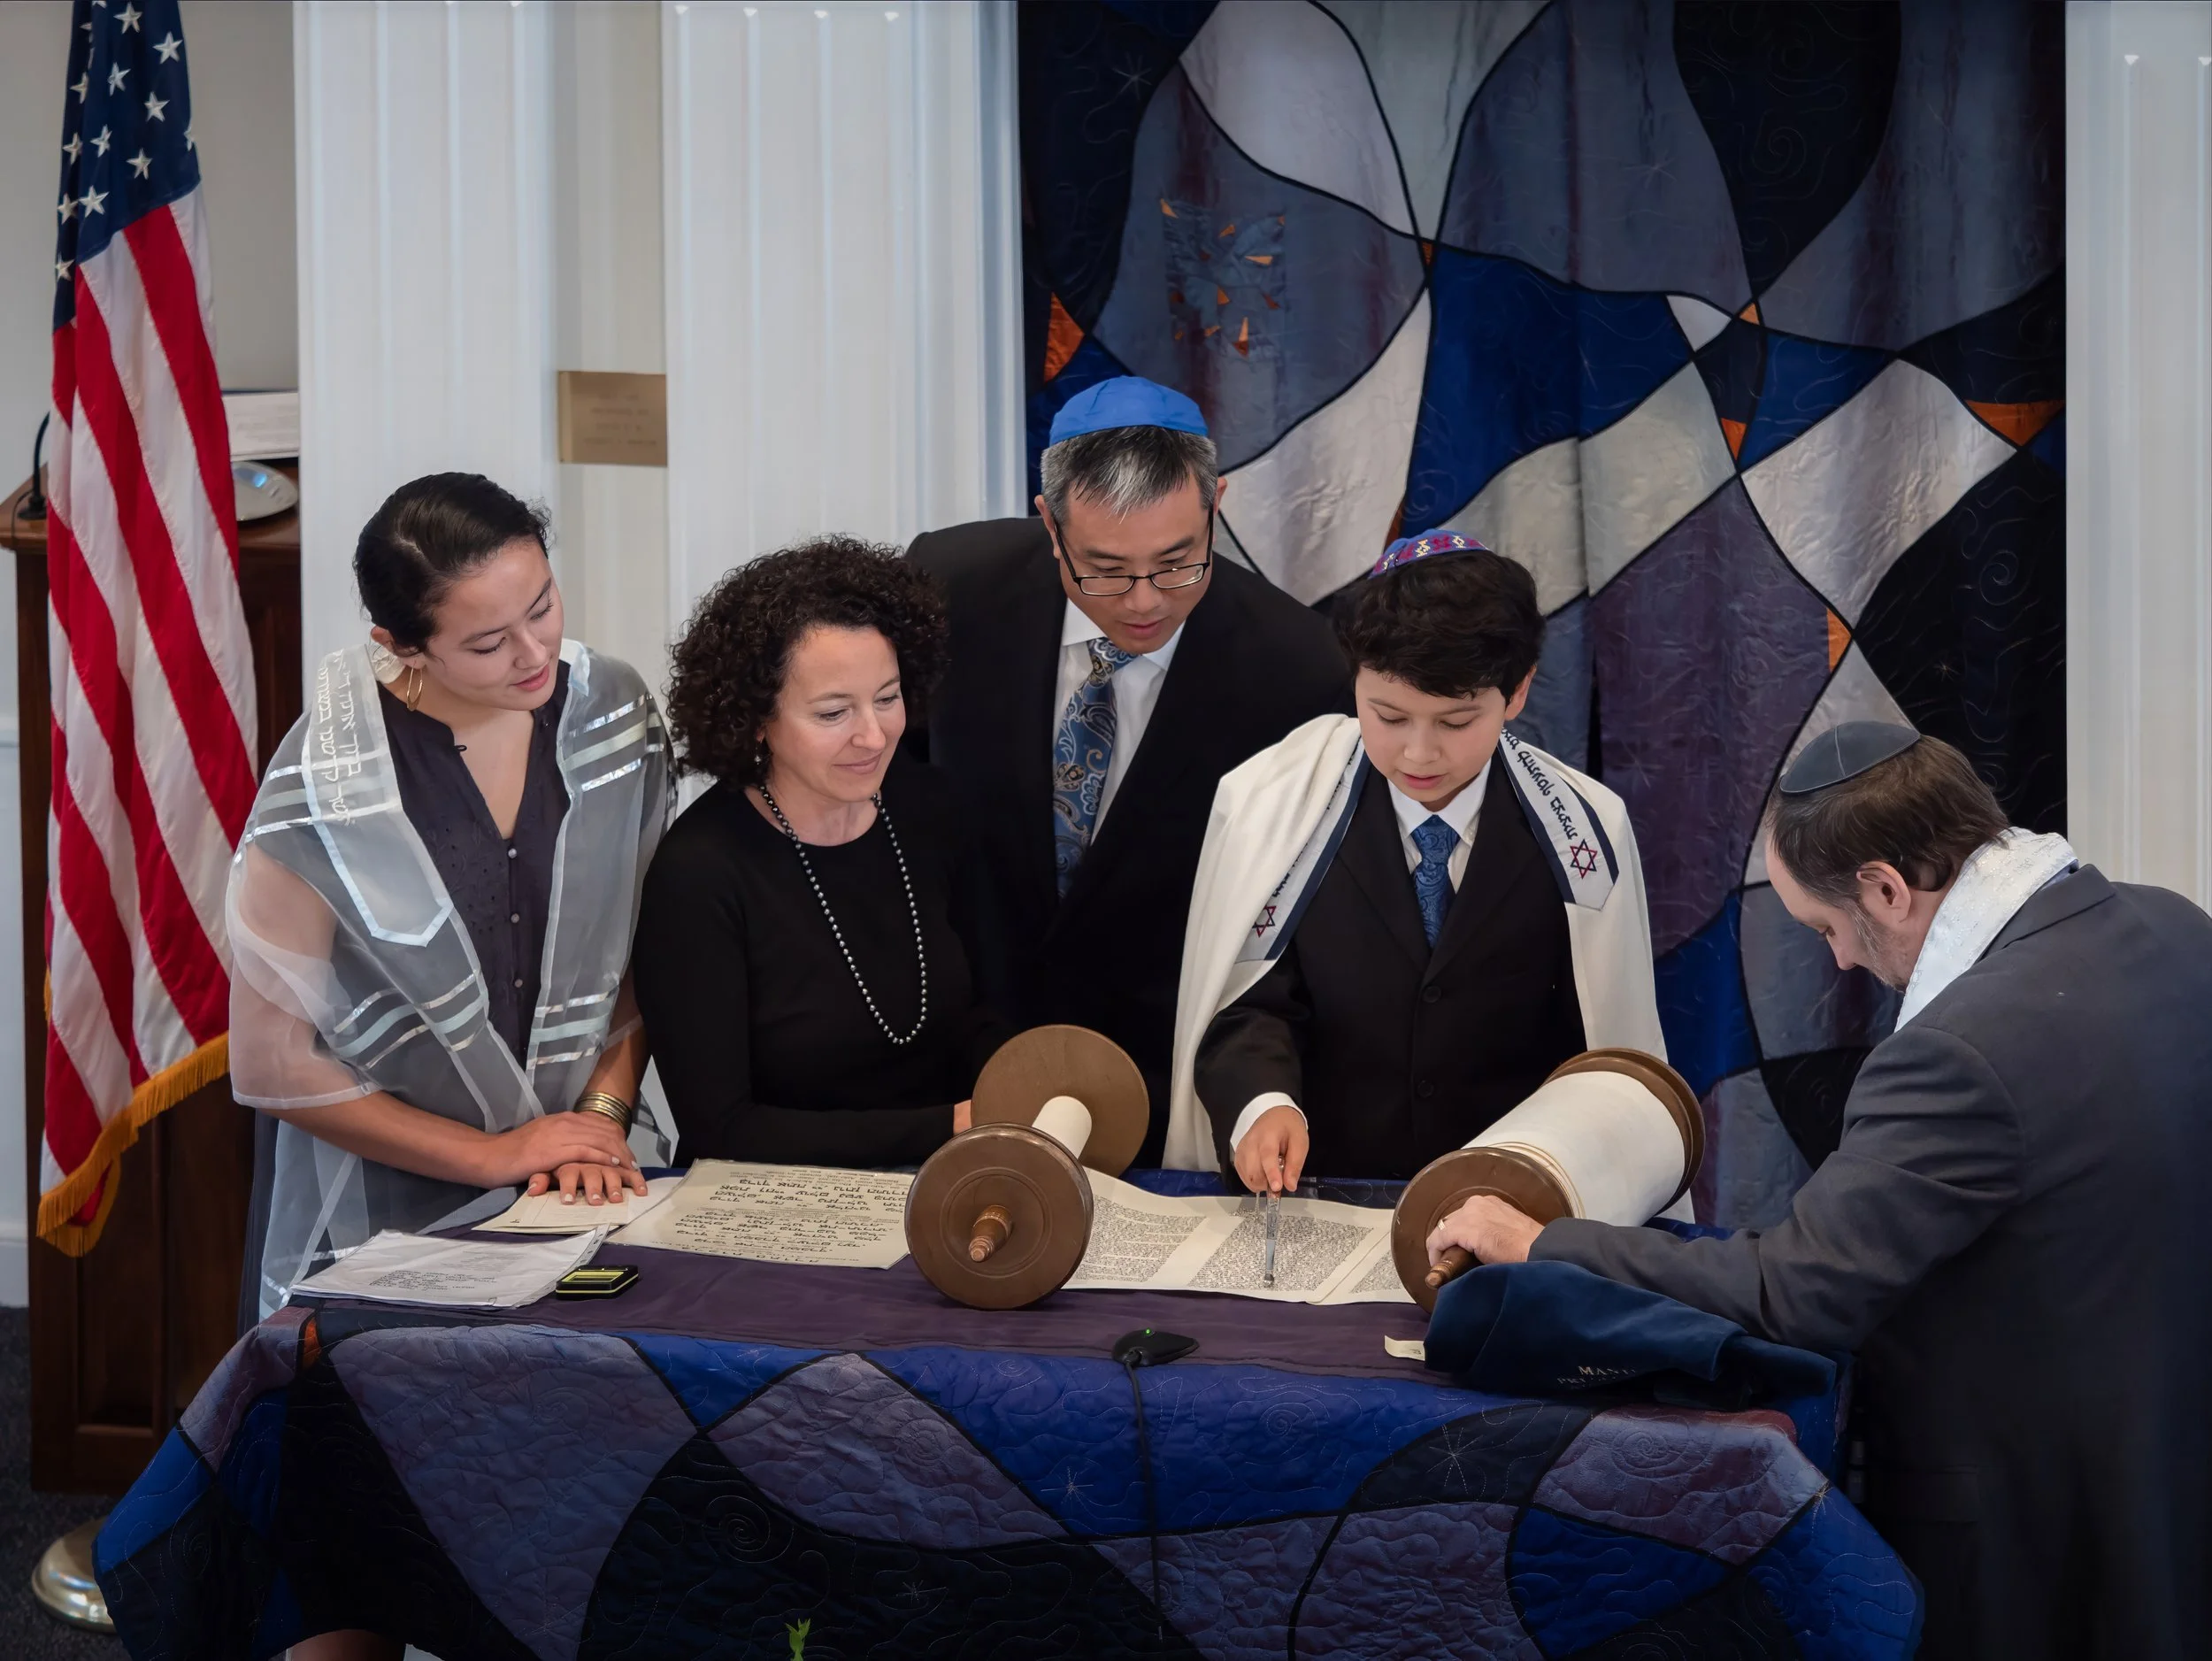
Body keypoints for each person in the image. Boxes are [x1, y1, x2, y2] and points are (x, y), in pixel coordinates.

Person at [1426, 723, 2212, 1660]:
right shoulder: (2171, 925)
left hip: (2028, 1517)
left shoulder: (1955, 1054)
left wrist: (1547, 1243)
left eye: (1827, 928)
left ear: (1887, 885)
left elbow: (1795, 1293)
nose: (1839, 960)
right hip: (2169, 1456)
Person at [229, 473, 672, 1324]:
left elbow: (642, 952)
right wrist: (494, 1155)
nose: (535, 654)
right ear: (399, 644)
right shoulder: (326, 781)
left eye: (543, 605)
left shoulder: (613, 713)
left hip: (588, 1168)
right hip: (395, 1199)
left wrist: (600, 1117)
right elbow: (270, 1062)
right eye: (488, 642)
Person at [907, 376, 1350, 1159]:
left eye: (1178, 563)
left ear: (1216, 507)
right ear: (1050, 525)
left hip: (1155, 1078)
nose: (1144, 601)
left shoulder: (1296, 667)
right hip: (951, 1063)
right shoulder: (950, 588)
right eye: (1104, 569)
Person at [1165, 530, 1665, 1187]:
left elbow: (1601, 1055)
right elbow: (1246, 1004)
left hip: (1507, 1209)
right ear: (1355, 680)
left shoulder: (1583, 833)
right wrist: (1263, 1104)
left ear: (1517, 693)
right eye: (1389, 716)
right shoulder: (1273, 804)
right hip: (1323, 1197)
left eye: (1456, 722)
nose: (1419, 754)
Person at [633, 535, 1004, 1166]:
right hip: (775, 1205)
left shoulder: (931, 808)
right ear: (756, 718)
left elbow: (985, 1011)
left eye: (887, 698)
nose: (873, 734)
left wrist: (1014, 1088)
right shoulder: (700, 872)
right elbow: (721, 1127)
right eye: (833, 712)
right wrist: (947, 1125)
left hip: (957, 1176)